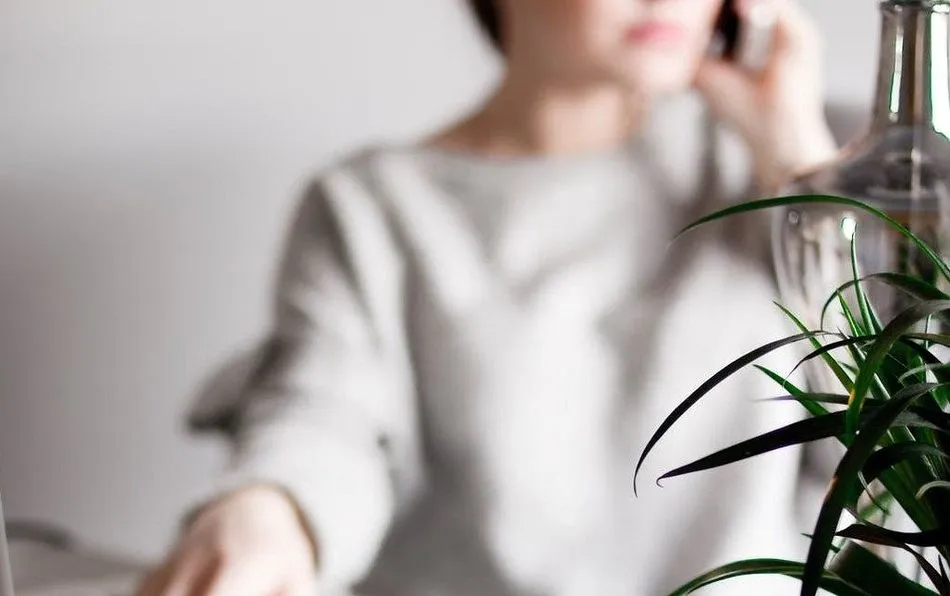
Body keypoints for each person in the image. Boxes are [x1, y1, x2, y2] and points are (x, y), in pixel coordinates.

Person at [137, 0, 838, 594]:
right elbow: (324, 417)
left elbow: (896, 445)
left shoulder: (776, 178)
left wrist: (800, 165)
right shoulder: (374, 206)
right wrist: (272, 509)